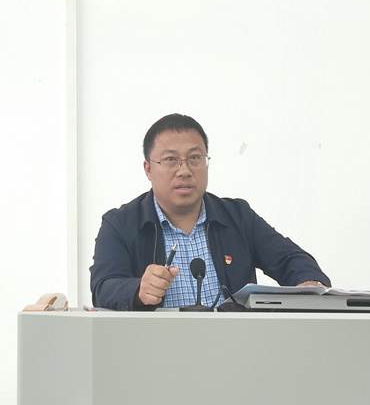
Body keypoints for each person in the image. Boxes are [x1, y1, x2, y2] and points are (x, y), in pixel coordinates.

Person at [90, 113, 331, 310]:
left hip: (234, 345)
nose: (184, 170)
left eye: (195, 158)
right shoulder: (120, 224)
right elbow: (103, 287)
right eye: (171, 160)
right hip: (155, 347)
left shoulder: (237, 216)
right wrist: (137, 290)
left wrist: (308, 284)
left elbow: (291, 259)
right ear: (148, 169)